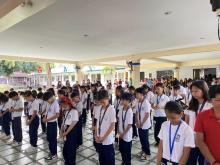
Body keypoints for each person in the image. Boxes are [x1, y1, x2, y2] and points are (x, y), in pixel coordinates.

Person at [157, 101, 195, 165]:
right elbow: (161, 146)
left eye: (173, 118)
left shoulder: (187, 130)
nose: (170, 120)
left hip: (178, 162)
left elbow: (186, 154)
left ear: (181, 114)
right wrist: (158, 162)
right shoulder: (164, 125)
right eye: (168, 117)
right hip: (164, 160)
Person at [185, 80, 212, 165]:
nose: (194, 93)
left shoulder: (210, 104)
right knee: (190, 160)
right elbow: (187, 119)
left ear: (204, 90)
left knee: (202, 160)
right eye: (192, 91)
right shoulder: (192, 103)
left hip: (204, 139)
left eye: (196, 91)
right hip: (191, 137)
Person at [195, 85, 220, 165]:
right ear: (210, 101)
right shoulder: (202, 116)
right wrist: (213, 162)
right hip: (210, 161)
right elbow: (199, 141)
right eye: (218, 100)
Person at [95, 89, 116, 165]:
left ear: (108, 99)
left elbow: (112, 125)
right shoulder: (99, 108)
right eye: (100, 102)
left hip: (107, 141)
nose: (102, 104)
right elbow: (97, 123)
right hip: (99, 139)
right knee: (102, 159)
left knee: (109, 160)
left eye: (103, 102)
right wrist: (95, 135)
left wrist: (103, 137)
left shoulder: (111, 109)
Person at [60, 96, 78, 165]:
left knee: (71, 152)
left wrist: (66, 133)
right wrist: (61, 131)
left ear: (68, 103)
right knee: (65, 151)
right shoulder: (65, 111)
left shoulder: (74, 111)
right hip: (65, 131)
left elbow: (73, 124)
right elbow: (63, 122)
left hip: (71, 132)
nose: (63, 107)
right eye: (62, 106)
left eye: (64, 105)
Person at [135, 87, 151, 160]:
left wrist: (142, 123)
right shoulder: (138, 102)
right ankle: (143, 150)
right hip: (140, 124)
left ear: (142, 94)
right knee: (141, 138)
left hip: (145, 124)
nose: (136, 95)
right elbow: (137, 112)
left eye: (137, 94)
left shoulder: (146, 102)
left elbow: (147, 114)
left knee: (145, 139)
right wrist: (138, 122)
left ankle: (147, 153)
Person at [43, 91, 60, 160]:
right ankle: (51, 152)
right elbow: (47, 111)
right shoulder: (48, 102)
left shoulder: (56, 104)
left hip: (53, 124)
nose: (47, 101)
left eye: (48, 100)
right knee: (49, 139)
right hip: (49, 123)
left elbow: (57, 115)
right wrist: (45, 117)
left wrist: (47, 119)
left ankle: (54, 154)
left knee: (53, 140)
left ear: (51, 97)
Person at [118, 92, 133, 165]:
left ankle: (127, 162)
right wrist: (118, 131)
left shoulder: (130, 111)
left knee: (127, 152)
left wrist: (123, 134)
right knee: (121, 149)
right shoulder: (121, 108)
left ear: (128, 101)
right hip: (120, 134)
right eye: (122, 99)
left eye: (124, 100)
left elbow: (130, 124)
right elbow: (119, 120)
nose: (122, 101)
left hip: (126, 135)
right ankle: (123, 161)